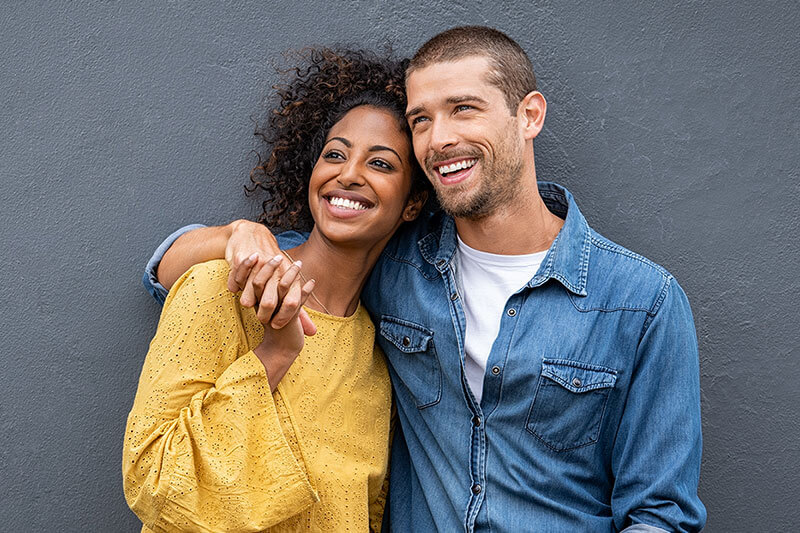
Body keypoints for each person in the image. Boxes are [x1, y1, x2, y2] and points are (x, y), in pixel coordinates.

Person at [144, 27, 706, 532]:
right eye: (421, 120)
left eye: (464, 109)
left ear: (529, 115)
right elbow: (179, 266)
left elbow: (661, 514)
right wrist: (235, 233)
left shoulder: (641, 302)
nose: (439, 139)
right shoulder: (392, 265)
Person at [123, 48, 429, 532]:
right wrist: (274, 355)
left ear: (412, 203)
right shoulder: (222, 287)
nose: (348, 174)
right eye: (335, 154)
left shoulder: (375, 361)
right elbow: (151, 478)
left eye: (381, 164)